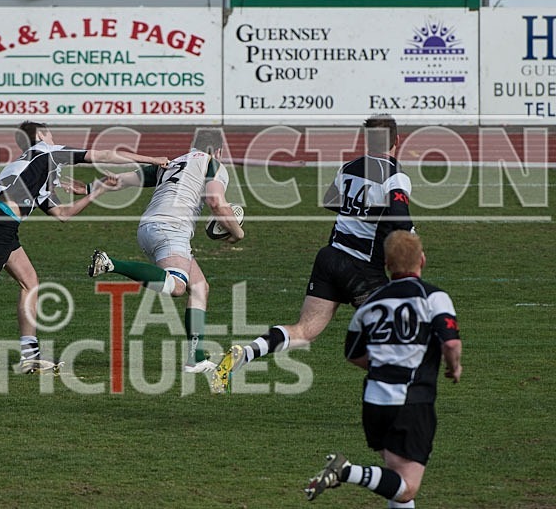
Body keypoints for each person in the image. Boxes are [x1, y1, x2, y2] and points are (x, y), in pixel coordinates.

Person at [0, 121, 169, 374]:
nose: (54, 137)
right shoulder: (47, 152)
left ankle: (30, 356)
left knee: (30, 283)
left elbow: (63, 214)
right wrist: (152, 159)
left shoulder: (37, 169)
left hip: (0, 223)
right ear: (40, 135)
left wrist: (97, 191)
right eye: (50, 133)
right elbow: (104, 155)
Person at [212, 114, 414, 393]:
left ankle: (245, 353)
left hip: (330, 258)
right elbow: (401, 220)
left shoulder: (349, 167)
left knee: (304, 331)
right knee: (395, 329)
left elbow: (331, 200)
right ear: (397, 140)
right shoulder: (395, 175)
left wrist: (359, 210)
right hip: (362, 268)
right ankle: (397, 391)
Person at [304, 230, 463, 507]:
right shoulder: (434, 297)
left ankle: (348, 471)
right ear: (422, 259)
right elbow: (450, 344)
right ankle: (345, 471)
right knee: (408, 487)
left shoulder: (370, 303)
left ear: (387, 264)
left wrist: (383, 364)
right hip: (411, 402)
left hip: (374, 402)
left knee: (395, 477)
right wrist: (454, 367)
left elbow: (353, 354)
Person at [87, 130, 245, 373]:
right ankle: (111, 263)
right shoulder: (212, 164)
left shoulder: (173, 163)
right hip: (172, 229)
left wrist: (90, 187)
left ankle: (196, 359)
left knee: (199, 287)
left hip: (148, 228)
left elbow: (123, 180)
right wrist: (237, 233)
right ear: (219, 151)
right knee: (178, 286)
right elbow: (215, 202)